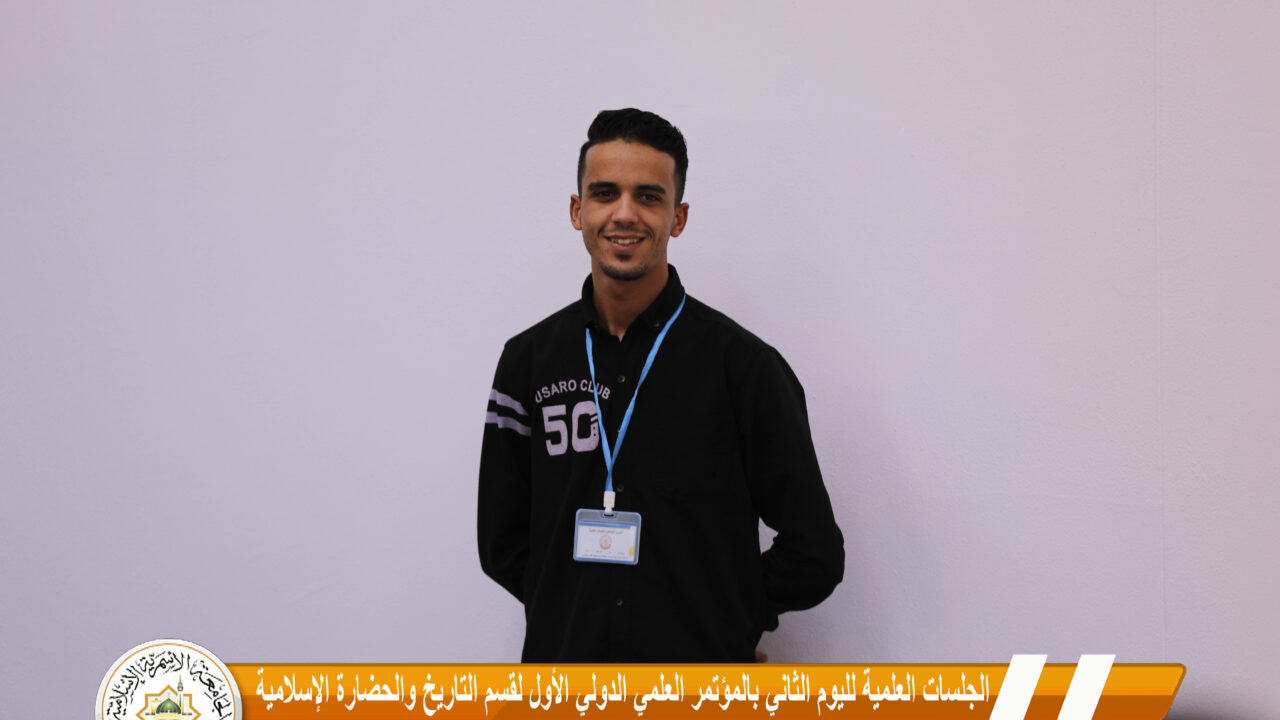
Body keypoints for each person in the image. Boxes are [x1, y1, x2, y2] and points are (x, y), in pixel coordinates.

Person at [478, 108, 843, 662]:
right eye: (605, 193)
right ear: (578, 210)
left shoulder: (744, 368)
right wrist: (569, 610)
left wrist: (727, 619)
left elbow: (815, 552)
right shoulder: (527, 361)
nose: (624, 213)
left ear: (678, 217)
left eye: (648, 197)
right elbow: (501, 542)